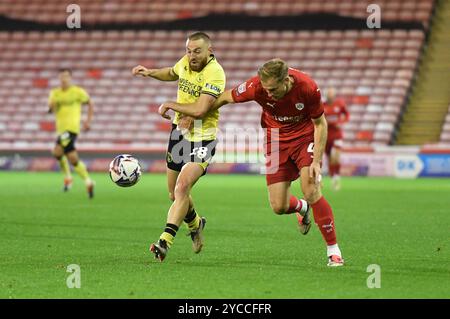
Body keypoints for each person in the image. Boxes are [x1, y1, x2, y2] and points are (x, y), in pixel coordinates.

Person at [160, 58, 344, 266]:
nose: (268, 94)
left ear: (286, 81)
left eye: (273, 89)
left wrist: (317, 161)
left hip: (304, 138)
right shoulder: (256, 86)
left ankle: (333, 251)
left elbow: (320, 124)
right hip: (275, 141)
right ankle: (302, 207)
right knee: (279, 206)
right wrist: (196, 116)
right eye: (265, 89)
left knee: (310, 188)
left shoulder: (308, 87)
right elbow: (224, 97)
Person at [132, 32, 226, 262]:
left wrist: (171, 105)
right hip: (180, 133)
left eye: (197, 51)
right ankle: (196, 224)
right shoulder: (185, 63)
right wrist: (150, 72)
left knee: (183, 187)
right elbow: (172, 73)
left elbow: (202, 109)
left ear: (209, 51)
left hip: (203, 137)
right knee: (174, 193)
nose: (192, 55)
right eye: (189, 50)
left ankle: (165, 241)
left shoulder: (215, 72)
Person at [48, 68, 95, 198]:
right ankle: (87, 181)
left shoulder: (77, 92)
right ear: (59, 78)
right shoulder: (54, 93)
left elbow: (90, 103)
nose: (64, 79)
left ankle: (72, 178)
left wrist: (88, 121)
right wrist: (51, 106)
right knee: (69, 157)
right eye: (62, 76)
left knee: (58, 152)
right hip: (61, 129)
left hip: (72, 129)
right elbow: (51, 110)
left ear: (70, 78)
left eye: (66, 76)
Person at [323, 87, 349, 191]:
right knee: (330, 159)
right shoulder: (322, 106)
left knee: (335, 157)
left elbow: (346, 114)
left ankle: (337, 177)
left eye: (332, 93)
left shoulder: (340, 104)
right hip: (326, 136)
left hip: (337, 135)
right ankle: (333, 177)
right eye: (329, 93)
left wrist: (341, 122)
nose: (330, 95)